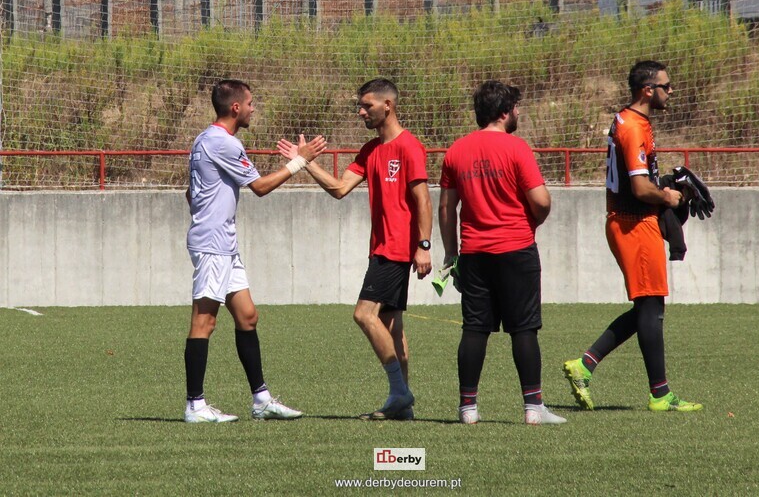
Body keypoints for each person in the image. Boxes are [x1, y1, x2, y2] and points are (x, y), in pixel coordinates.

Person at [277, 78, 432, 420]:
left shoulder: (409, 147)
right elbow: (339, 188)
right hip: (381, 248)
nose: (361, 112)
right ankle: (401, 408)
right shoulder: (370, 150)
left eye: (367, 106)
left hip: (395, 249)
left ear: (388, 106)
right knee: (392, 324)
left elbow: (422, 199)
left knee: (364, 314)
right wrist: (304, 162)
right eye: (360, 106)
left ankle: (399, 393)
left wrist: (423, 246)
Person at [563, 60, 703, 412]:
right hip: (632, 223)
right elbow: (640, 188)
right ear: (647, 90)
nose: (671, 91)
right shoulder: (634, 128)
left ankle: (585, 365)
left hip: (630, 221)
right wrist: (668, 196)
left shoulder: (629, 120)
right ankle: (659, 394)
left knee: (647, 306)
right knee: (652, 306)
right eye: (666, 86)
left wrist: (667, 183)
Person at [184, 79, 326, 423]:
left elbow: (190, 194)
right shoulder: (225, 144)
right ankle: (195, 405)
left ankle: (261, 400)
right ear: (235, 108)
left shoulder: (204, 139)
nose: (253, 109)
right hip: (213, 245)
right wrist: (300, 162)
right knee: (204, 321)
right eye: (250, 103)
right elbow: (260, 187)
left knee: (247, 316)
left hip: (222, 243)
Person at [438, 80, 566, 426]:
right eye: (517, 108)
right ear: (505, 112)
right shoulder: (516, 148)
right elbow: (540, 201)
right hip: (516, 248)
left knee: (474, 329)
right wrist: (531, 223)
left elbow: (447, 208)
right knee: (523, 329)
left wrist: (451, 254)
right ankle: (533, 408)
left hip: (475, 253)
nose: (519, 113)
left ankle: (468, 408)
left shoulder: (456, 151)